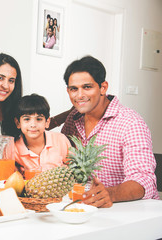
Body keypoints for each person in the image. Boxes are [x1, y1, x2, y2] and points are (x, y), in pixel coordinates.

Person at [61, 55, 159, 208]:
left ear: (103, 87)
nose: (79, 95)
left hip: (131, 211)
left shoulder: (131, 123)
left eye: (87, 87)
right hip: (86, 208)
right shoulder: (73, 119)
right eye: (74, 89)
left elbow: (144, 180)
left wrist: (110, 194)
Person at [11, 94, 71, 178]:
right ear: (18, 123)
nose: (33, 125)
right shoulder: (13, 149)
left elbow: (74, 168)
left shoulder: (60, 140)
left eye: (39, 119)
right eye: (27, 119)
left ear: (47, 122)